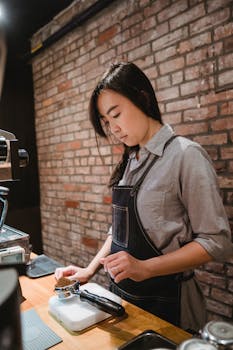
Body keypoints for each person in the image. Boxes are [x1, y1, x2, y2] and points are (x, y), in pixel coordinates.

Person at [55, 62, 232, 332]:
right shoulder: (131, 160)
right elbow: (119, 231)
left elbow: (216, 242)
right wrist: (90, 270)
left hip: (169, 303)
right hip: (126, 301)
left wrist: (146, 268)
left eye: (116, 114)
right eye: (106, 121)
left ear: (142, 98)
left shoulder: (185, 155)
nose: (113, 128)